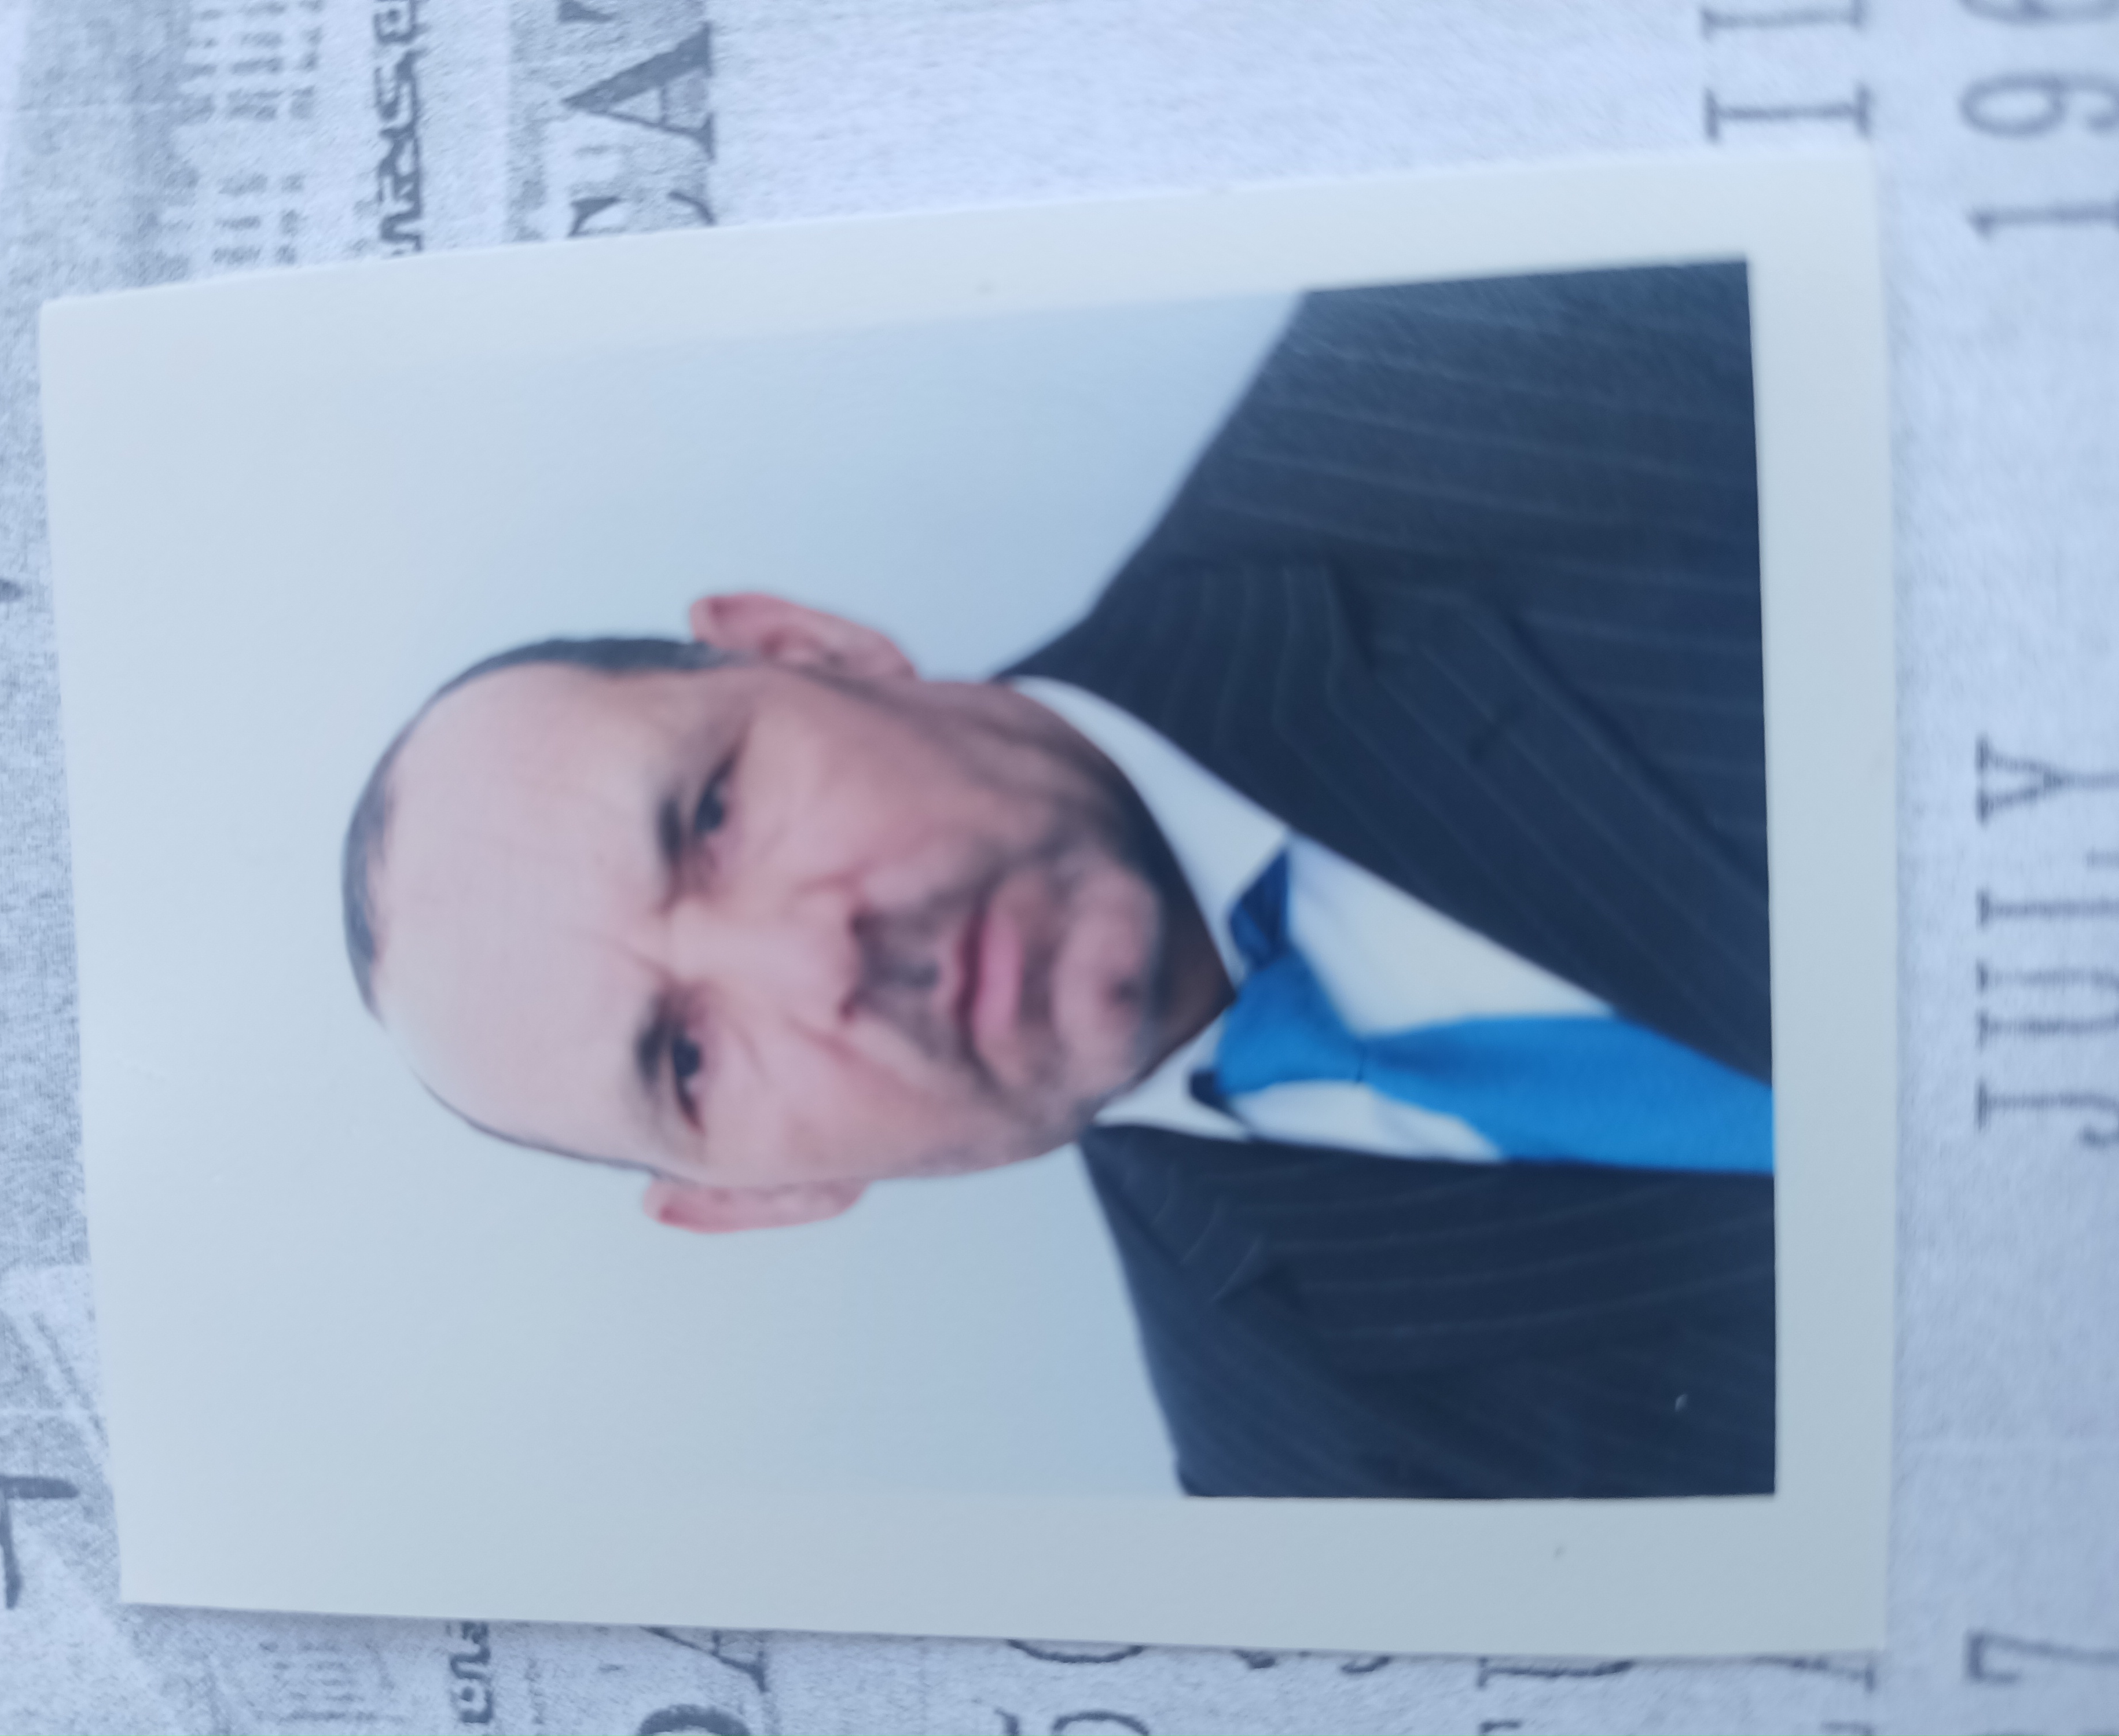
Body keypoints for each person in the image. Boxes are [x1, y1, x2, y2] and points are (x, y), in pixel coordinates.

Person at [343, 263, 1778, 1499]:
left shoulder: (1505, 353)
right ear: (762, 1198)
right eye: (689, 1060)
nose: (819, 962)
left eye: (712, 816)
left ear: (810, 649)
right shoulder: (1316, 1492)